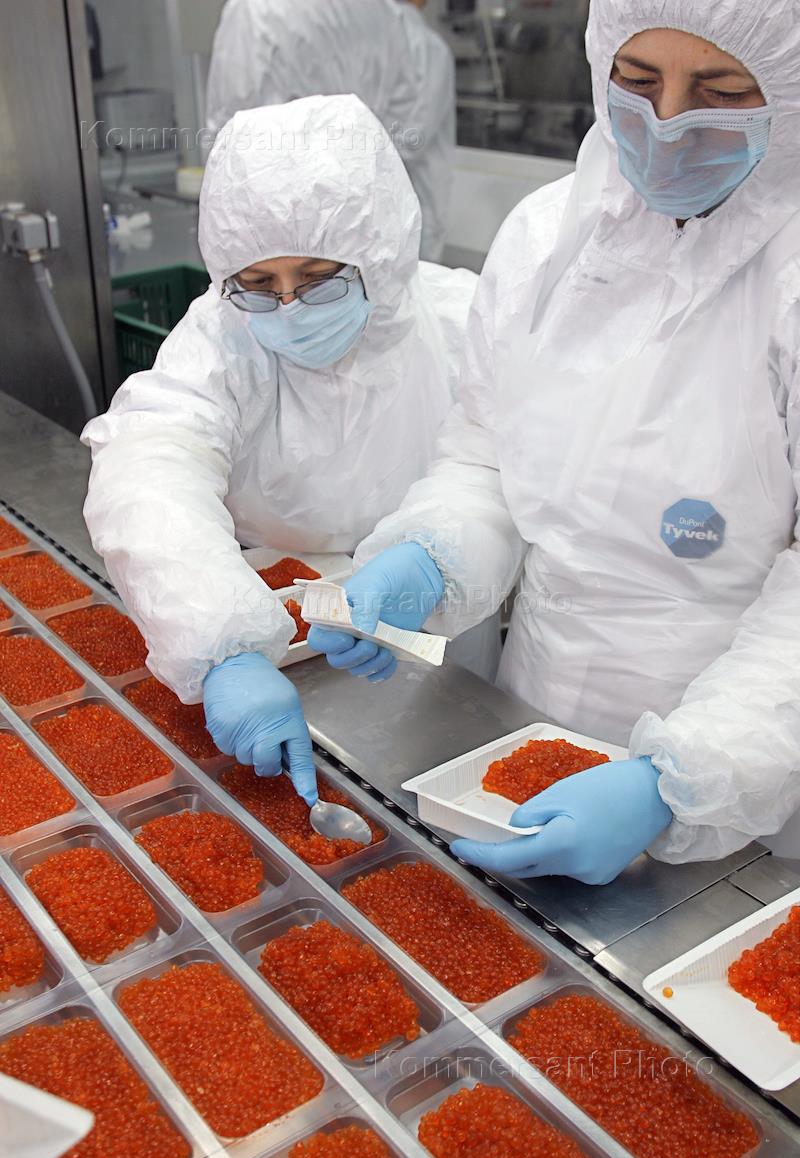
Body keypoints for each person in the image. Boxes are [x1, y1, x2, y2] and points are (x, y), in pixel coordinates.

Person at [310, 0, 800, 882]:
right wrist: (430, 558)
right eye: (637, 82)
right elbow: (486, 459)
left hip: (746, 774)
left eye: (720, 93)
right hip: (525, 717)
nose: (666, 123)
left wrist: (682, 781)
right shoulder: (548, 239)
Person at [82, 94, 478, 807]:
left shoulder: (460, 323)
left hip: (436, 639)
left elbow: (502, 471)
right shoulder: (222, 334)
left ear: (379, 254)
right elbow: (150, 463)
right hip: (271, 632)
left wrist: (434, 562)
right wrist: (222, 644)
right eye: (261, 284)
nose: (289, 309)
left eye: (319, 278)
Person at [205, 0, 455, 261]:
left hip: (275, 210)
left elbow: (229, 123)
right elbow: (400, 119)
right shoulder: (383, 14)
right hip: (359, 210)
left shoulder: (255, 9)